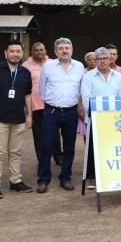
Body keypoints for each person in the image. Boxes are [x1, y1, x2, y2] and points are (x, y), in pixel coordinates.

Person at [0, 39, 34, 198]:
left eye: (18, 51)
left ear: (22, 53)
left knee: (16, 152)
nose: (15, 54)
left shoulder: (25, 72)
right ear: (6, 53)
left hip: (18, 119)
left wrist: (29, 115)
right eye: (12, 51)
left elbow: (27, 94)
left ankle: (15, 182)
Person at [37, 37, 86, 193]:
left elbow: (81, 89)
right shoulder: (48, 66)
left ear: (72, 50)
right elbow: (42, 89)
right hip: (51, 112)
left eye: (67, 48)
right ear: (55, 51)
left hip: (71, 112)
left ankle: (65, 178)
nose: (64, 51)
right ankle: (43, 180)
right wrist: (51, 102)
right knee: (46, 146)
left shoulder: (79, 66)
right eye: (61, 48)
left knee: (69, 147)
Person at [81, 47, 121, 188]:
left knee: (114, 148)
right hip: (95, 120)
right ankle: (93, 178)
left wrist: (115, 116)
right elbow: (86, 100)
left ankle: (113, 176)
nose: (102, 61)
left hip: (115, 120)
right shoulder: (88, 77)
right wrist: (101, 115)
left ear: (110, 60)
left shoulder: (118, 76)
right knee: (94, 149)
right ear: (94, 61)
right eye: (99, 58)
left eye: (105, 58)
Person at [24, 42, 63, 167]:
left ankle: (58, 156)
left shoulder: (53, 63)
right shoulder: (26, 66)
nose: (39, 52)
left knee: (55, 132)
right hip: (35, 105)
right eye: (36, 50)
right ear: (32, 52)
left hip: (52, 104)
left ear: (46, 51)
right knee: (38, 133)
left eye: (42, 50)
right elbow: (24, 87)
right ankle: (42, 159)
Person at [77, 51, 96, 142]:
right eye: (89, 60)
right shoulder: (82, 73)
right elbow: (79, 92)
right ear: (86, 61)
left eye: (94, 59)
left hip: (98, 105)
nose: (92, 61)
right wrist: (80, 108)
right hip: (85, 105)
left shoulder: (101, 72)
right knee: (87, 131)